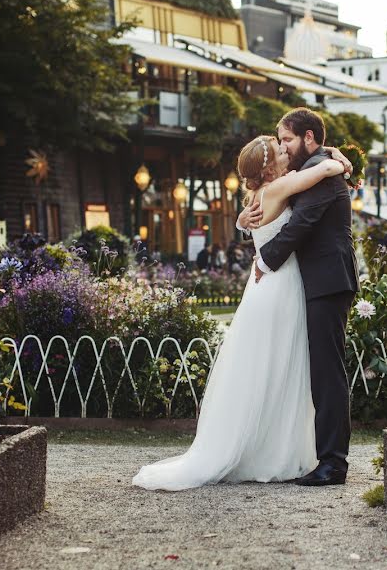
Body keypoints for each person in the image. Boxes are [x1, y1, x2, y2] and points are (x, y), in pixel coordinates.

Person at [131, 133, 347, 491]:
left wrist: (239, 222)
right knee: (282, 369)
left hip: (265, 287)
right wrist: (340, 161)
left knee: (269, 369)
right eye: (279, 149)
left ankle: (268, 448)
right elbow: (323, 169)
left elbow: (256, 222)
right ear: (268, 168)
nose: (284, 149)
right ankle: (276, 452)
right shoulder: (280, 189)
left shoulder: (259, 197)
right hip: (282, 286)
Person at [238, 108, 359, 487]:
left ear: (309, 138)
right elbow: (273, 211)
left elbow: (302, 224)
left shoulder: (323, 171)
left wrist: (265, 259)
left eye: (288, 140)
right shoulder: (317, 167)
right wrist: (246, 226)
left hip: (327, 280)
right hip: (315, 280)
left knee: (327, 373)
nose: (285, 149)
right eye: (280, 144)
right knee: (316, 371)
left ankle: (333, 463)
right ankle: (320, 457)